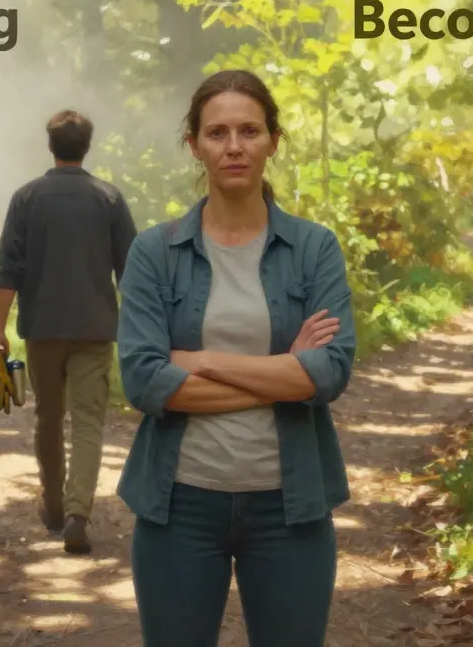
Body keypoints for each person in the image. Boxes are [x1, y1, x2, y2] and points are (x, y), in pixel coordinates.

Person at [114, 69, 357, 647]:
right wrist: (283, 374)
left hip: (290, 508)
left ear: (273, 139)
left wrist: (197, 361)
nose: (234, 146)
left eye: (249, 130)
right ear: (194, 144)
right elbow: (145, 381)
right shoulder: (155, 252)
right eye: (217, 132)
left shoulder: (313, 248)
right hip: (179, 506)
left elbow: (329, 372)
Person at [0, 109, 138, 554]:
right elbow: (129, 271)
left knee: (48, 417)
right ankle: (78, 513)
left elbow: (8, 270)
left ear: (50, 145)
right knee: (89, 422)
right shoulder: (108, 198)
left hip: (43, 329)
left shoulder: (26, 198)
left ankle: (53, 505)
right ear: (86, 146)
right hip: (95, 329)